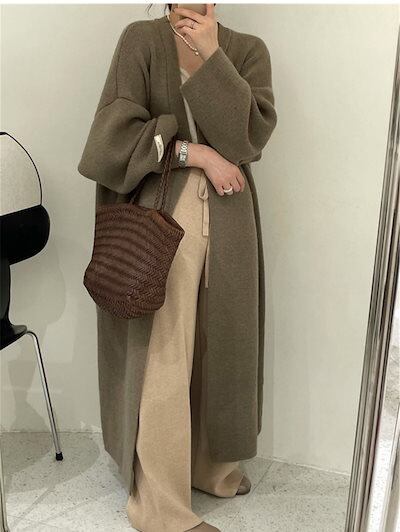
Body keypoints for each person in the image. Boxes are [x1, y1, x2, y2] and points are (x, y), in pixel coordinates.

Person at [77, 3, 277, 531]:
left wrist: (211, 56)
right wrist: (196, 154)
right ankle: (160, 507)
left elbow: (247, 139)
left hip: (232, 221)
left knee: (223, 348)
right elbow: (112, 137)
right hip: (162, 219)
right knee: (163, 358)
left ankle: (211, 468)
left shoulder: (246, 50)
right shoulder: (141, 40)